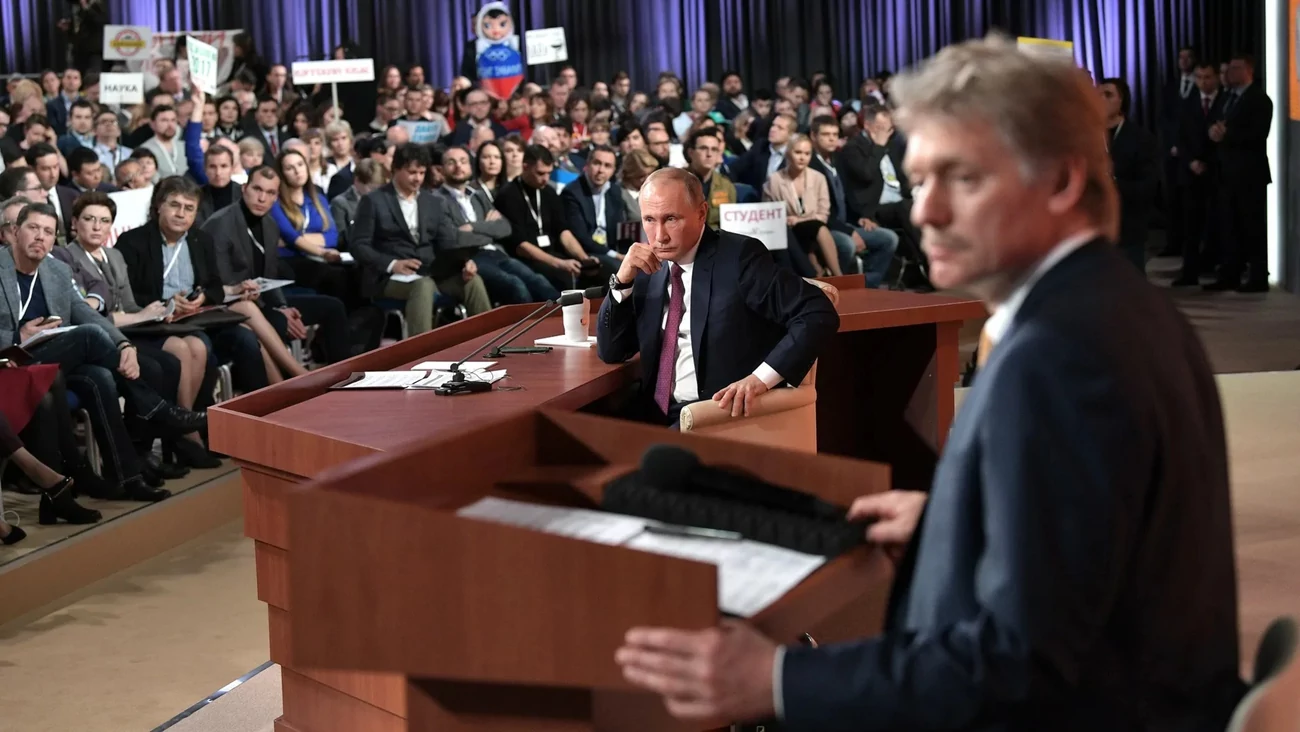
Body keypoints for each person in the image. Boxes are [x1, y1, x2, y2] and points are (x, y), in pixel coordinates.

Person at [614, 35, 1245, 730]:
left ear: (1062, 182)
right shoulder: (1112, 306)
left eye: (961, 178)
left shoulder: (1064, 360)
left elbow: (1016, 669)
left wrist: (777, 679)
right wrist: (956, 520)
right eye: (920, 181)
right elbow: (1088, 554)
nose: (924, 211)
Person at [596, 168, 839, 426]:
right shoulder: (648, 267)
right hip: (653, 414)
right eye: (649, 220)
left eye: (671, 219)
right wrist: (621, 282)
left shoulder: (739, 258)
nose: (659, 236)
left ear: (702, 213)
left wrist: (759, 380)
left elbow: (817, 312)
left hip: (713, 416)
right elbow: (612, 351)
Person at [3, 202, 197, 502]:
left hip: (54, 362)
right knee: (89, 336)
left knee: (100, 377)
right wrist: (19, 336)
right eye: (33, 228)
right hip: (10, 362)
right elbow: (88, 328)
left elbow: (87, 313)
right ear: (15, 232)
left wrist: (123, 344)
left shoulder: (56, 270)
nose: (40, 237)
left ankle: (128, 478)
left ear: (55, 239)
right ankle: (157, 409)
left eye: (48, 232)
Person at [52, 192, 219, 469]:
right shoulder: (66, 257)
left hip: (132, 329)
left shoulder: (114, 255)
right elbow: (89, 315)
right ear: (75, 223)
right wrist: (139, 315)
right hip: (103, 338)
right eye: (90, 219)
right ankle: (148, 446)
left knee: (190, 347)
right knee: (163, 363)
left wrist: (157, 310)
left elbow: (129, 305)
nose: (97, 227)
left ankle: (168, 438)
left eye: (104, 221)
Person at [116, 176, 270, 394]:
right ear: (159, 206)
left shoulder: (201, 240)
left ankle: (260, 405)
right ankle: (199, 411)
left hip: (196, 319)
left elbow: (215, 286)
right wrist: (167, 304)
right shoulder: (132, 241)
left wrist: (204, 296)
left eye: (189, 208)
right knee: (202, 345)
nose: (181, 214)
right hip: (157, 324)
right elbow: (127, 296)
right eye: (175, 205)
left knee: (245, 338)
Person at [205, 165, 359, 366]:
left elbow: (270, 276)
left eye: (270, 193)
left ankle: (343, 374)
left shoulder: (270, 225)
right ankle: (292, 381)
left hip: (262, 301)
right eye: (257, 189)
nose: (262, 198)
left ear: (276, 197)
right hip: (231, 306)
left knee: (333, 307)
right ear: (244, 189)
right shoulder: (221, 224)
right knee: (279, 321)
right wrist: (277, 311)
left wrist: (282, 306)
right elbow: (223, 282)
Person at [349, 143, 492, 336]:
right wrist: (392, 264)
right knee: (423, 286)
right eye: (412, 172)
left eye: (422, 173)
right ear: (396, 169)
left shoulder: (433, 202)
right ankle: (423, 350)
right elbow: (358, 245)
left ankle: (490, 342)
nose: (418, 178)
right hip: (388, 277)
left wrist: (463, 261)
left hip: (431, 271)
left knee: (473, 281)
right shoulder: (374, 201)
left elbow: (448, 241)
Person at [437, 146, 558, 305]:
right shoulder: (437, 200)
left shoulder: (478, 196)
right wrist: (489, 230)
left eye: (463, 161)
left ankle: (567, 318)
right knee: (515, 286)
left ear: (470, 166)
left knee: (538, 281)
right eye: (451, 162)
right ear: (441, 170)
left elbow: (505, 228)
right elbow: (454, 238)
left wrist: (473, 227)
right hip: (469, 258)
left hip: (496, 252)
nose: (459, 166)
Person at [763, 133, 843, 277]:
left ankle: (835, 275)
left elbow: (823, 215)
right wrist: (789, 221)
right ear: (788, 153)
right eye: (798, 152)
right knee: (814, 234)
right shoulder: (774, 180)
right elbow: (768, 214)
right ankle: (825, 275)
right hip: (788, 231)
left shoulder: (818, 178)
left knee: (818, 228)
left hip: (814, 227)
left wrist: (800, 220)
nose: (802, 158)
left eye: (807, 154)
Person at [1099, 77, 1157, 273]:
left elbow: (1147, 185)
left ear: (1122, 100)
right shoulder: (1088, 136)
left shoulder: (1140, 138)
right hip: (1096, 228)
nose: (1101, 99)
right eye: (1098, 95)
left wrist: (1113, 182)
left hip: (1128, 225)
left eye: (1108, 95)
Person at [561, 144, 626, 273]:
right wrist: (616, 255)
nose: (601, 170)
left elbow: (619, 229)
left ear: (613, 170)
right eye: (597, 163)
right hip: (588, 253)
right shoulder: (572, 192)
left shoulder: (614, 191)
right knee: (619, 269)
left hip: (612, 251)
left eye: (607, 166)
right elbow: (581, 237)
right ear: (587, 164)